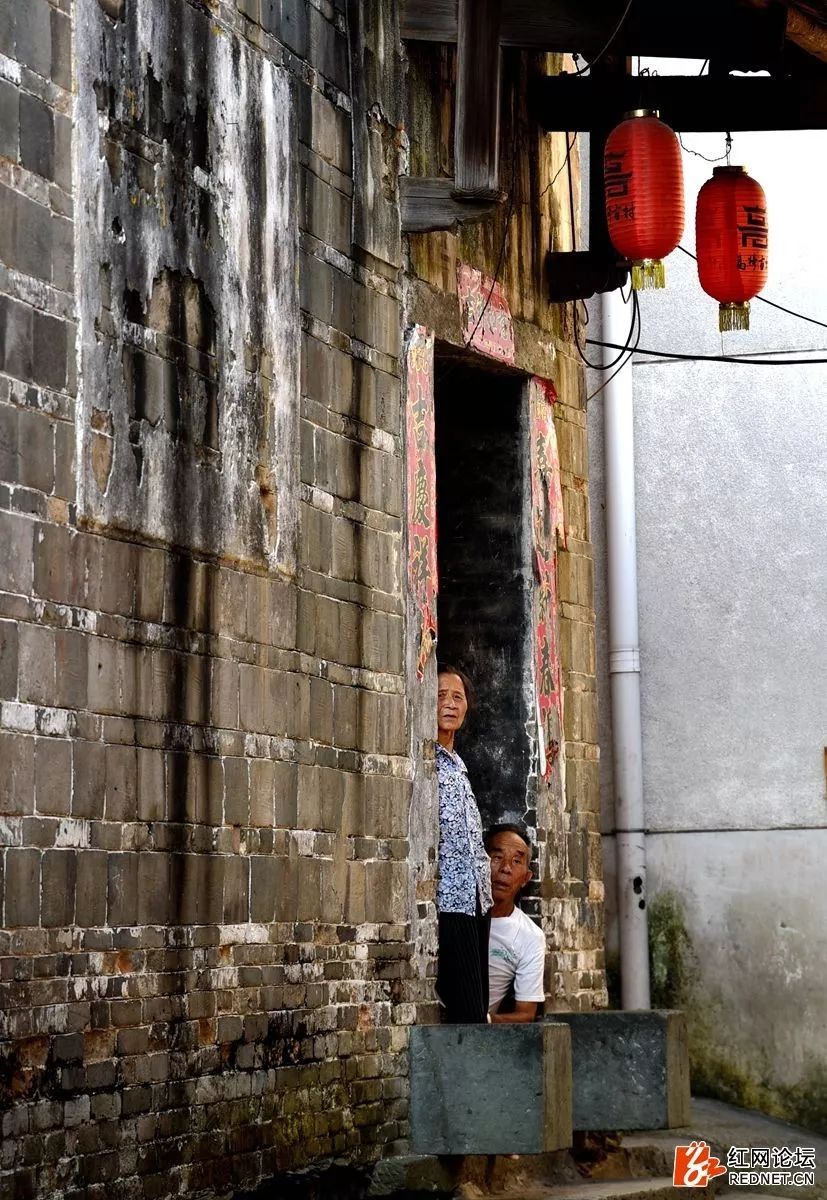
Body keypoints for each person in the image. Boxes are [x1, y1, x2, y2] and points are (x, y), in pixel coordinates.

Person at [435, 665, 493, 1024]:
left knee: (479, 1003)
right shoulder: (427, 760)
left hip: (476, 899)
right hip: (449, 899)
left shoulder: (458, 764)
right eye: (440, 695)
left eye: (458, 697)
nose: (450, 704)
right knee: (467, 1010)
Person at [485, 823, 546, 1024]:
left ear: (526, 878)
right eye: (497, 857)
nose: (505, 869)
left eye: (517, 861)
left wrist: (485, 1021)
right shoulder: (454, 914)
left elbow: (526, 1013)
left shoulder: (530, 936)